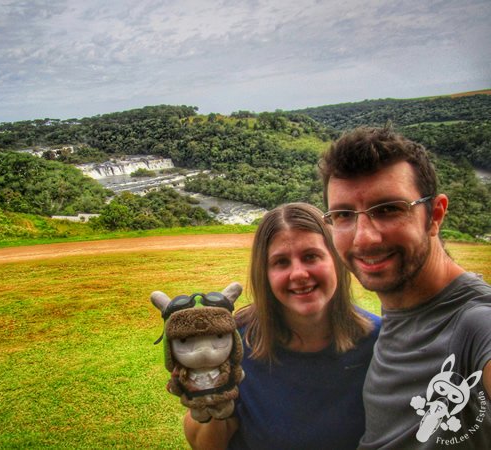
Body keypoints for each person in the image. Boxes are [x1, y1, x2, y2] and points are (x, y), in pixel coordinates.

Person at [319, 126, 491, 449]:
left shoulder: (476, 324)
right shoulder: (401, 306)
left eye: (388, 210)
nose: (364, 237)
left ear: (435, 215)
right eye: (343, 215)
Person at [183, 202, 381, 449]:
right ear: (264, 274)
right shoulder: (232, 343)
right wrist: (208, 402)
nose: (298, 273)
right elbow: (207, 444)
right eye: (281, 262)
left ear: (337, 260)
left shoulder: (380, 343)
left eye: (311, 256)